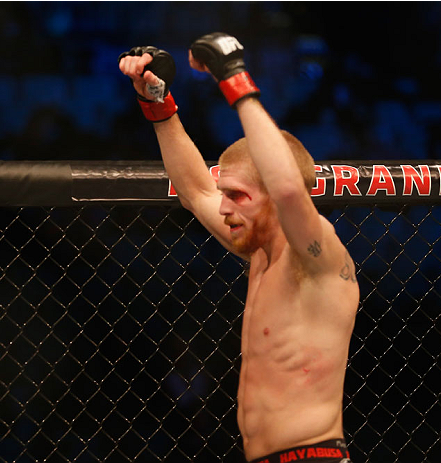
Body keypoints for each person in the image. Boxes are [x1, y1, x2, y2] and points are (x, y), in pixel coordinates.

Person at [119, 33, 359, 463]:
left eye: (238, 196)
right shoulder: (259, 251)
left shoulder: (316, 254)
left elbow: (288, 189)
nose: (224, 207)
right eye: (225, 193)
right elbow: (194, 191)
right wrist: (157, 100)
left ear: (271, 196)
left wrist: (234, 78)